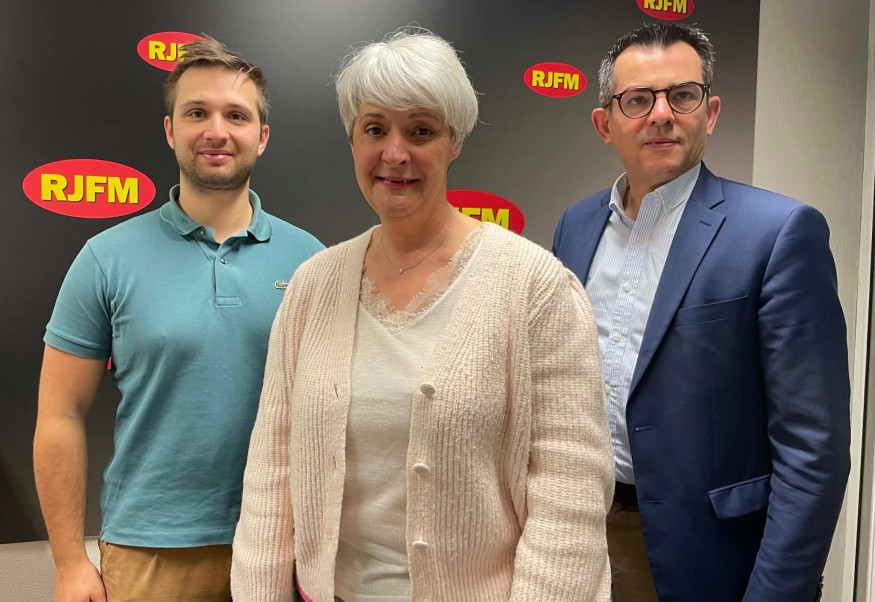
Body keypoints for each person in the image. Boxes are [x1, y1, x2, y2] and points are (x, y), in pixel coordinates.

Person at [231, 28, 613, 602]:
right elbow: (272, 471)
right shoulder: (313, 286)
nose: (395, 154)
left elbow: (569, 501)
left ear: (454, 141)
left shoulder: (536, 288)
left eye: (421, 131)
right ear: (352, 139)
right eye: (375, 129)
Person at [553, 22, 850, 602]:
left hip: (713, 558)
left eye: (682, 95)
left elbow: (813, 448)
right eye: (638, 100)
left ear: (709, 114)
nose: (662, 114)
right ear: (604, 123)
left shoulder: (779, 233)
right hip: (580, 536)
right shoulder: (576, 226)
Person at [33, 36, 323, 602]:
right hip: (149, 554)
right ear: (170, 131)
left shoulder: (311, 260)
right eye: (197, 113)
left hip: (282, 546)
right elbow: (59, 414)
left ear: (262, 137)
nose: (217, 130)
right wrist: (68, 562)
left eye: (236, 115)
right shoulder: (105, 258)